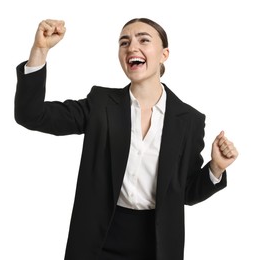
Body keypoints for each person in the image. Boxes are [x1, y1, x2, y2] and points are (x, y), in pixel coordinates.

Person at [14, 18, 238, 260]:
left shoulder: (190, 120)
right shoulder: (100, 105)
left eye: (143, 40)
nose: (132, 47)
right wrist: (40, 50)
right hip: (98, 241)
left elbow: (186, 193)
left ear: (164, 54)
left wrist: (216, 167)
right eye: (124, 42)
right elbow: (32, 115)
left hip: (157, 245)